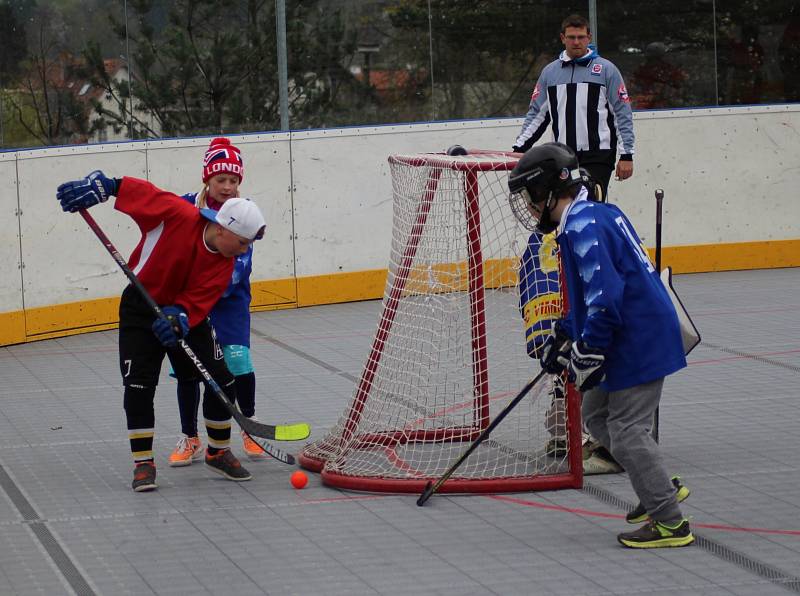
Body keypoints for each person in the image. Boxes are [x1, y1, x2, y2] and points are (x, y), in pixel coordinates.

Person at [507, 142, 693, 548]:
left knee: (626, 431)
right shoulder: (595, 212)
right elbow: (592, 291)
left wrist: (586, 351)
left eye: (528, 195)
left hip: (637, 337)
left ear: (546, 191)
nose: (528, 206)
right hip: (635, 330)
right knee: (595, 413)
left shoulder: (581, 227)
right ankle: (657, 485)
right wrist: (565, 332)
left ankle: (669, 521)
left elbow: (605, 301)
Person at [56, 170, 266, 492]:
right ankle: (143, 463)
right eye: (241, 243)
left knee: (222, 379)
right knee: (139, 385)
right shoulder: (178, 214)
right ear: (224, 229)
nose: (243, 251)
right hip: (140, 307)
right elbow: (138, 191)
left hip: (180, 316)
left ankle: (218, 452)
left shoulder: (224, 264)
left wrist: (180, 318)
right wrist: (103, 187)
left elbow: (197, 300)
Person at [514, 172, 623, 475]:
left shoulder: (583, 229)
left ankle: (597, 439)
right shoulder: (569, 228)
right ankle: (574, 430)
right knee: (570, 376)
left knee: (590, 375)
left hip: (581, 322)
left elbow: (601, 291)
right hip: (562, 317)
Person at [168, 137, 266, 466]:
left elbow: (239, 265)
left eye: (233, 180)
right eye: (220, 179)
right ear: (206, 178)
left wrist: (204, 289)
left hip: (228, 302)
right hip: (189, 302)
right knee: (188, 370)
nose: (227, 186)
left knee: (238, 363)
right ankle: (190, 437)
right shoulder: (187, 206)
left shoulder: (245, 212)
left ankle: (249, 427)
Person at [512, 14, 635, 201]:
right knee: (562, 208)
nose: (576, 42)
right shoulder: (550, 73)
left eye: (581, 37)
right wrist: (519, 148)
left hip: (598, 155)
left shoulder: (606, 70)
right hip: (563, 157)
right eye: (571, 37)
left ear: (589, 38)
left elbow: (622, 113)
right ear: (563, 38)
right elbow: (537, 115)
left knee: (588, 204)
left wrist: (627, 155)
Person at [630, 42, 688, 109]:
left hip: (663, 107)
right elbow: (633, 87)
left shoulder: (669, 70)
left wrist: (665, 90)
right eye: (649, 59)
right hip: (644, 106)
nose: (651, 62)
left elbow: (681, 86)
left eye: (654, 59)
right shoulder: (640, 70)